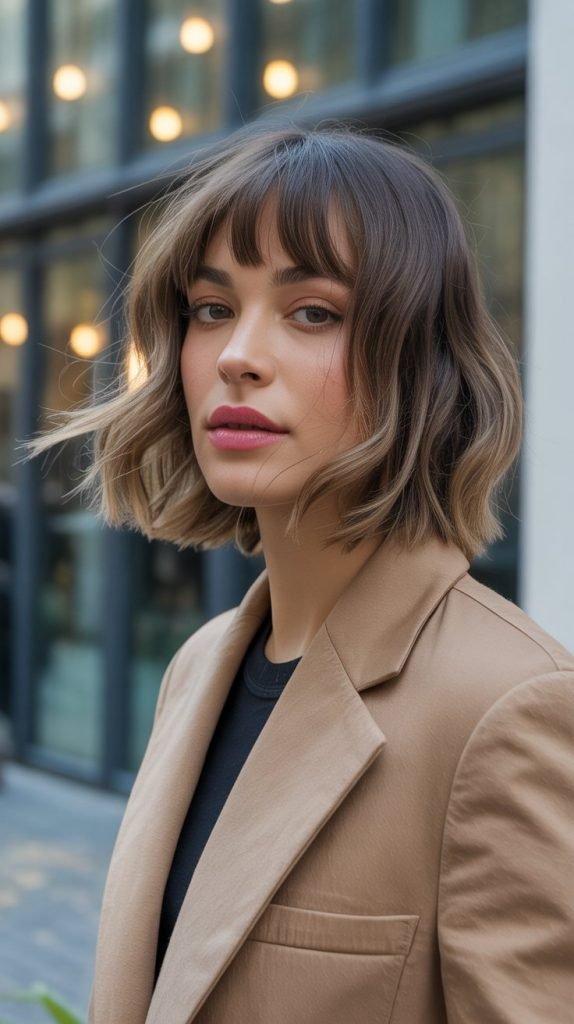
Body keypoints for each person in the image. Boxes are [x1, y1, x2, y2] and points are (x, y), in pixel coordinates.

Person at [25, 122, 574, 1024]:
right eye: (211, 309)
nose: (238, 354)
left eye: (312, 311)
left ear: (420, 361)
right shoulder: (199, 668)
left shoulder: (508, 709)